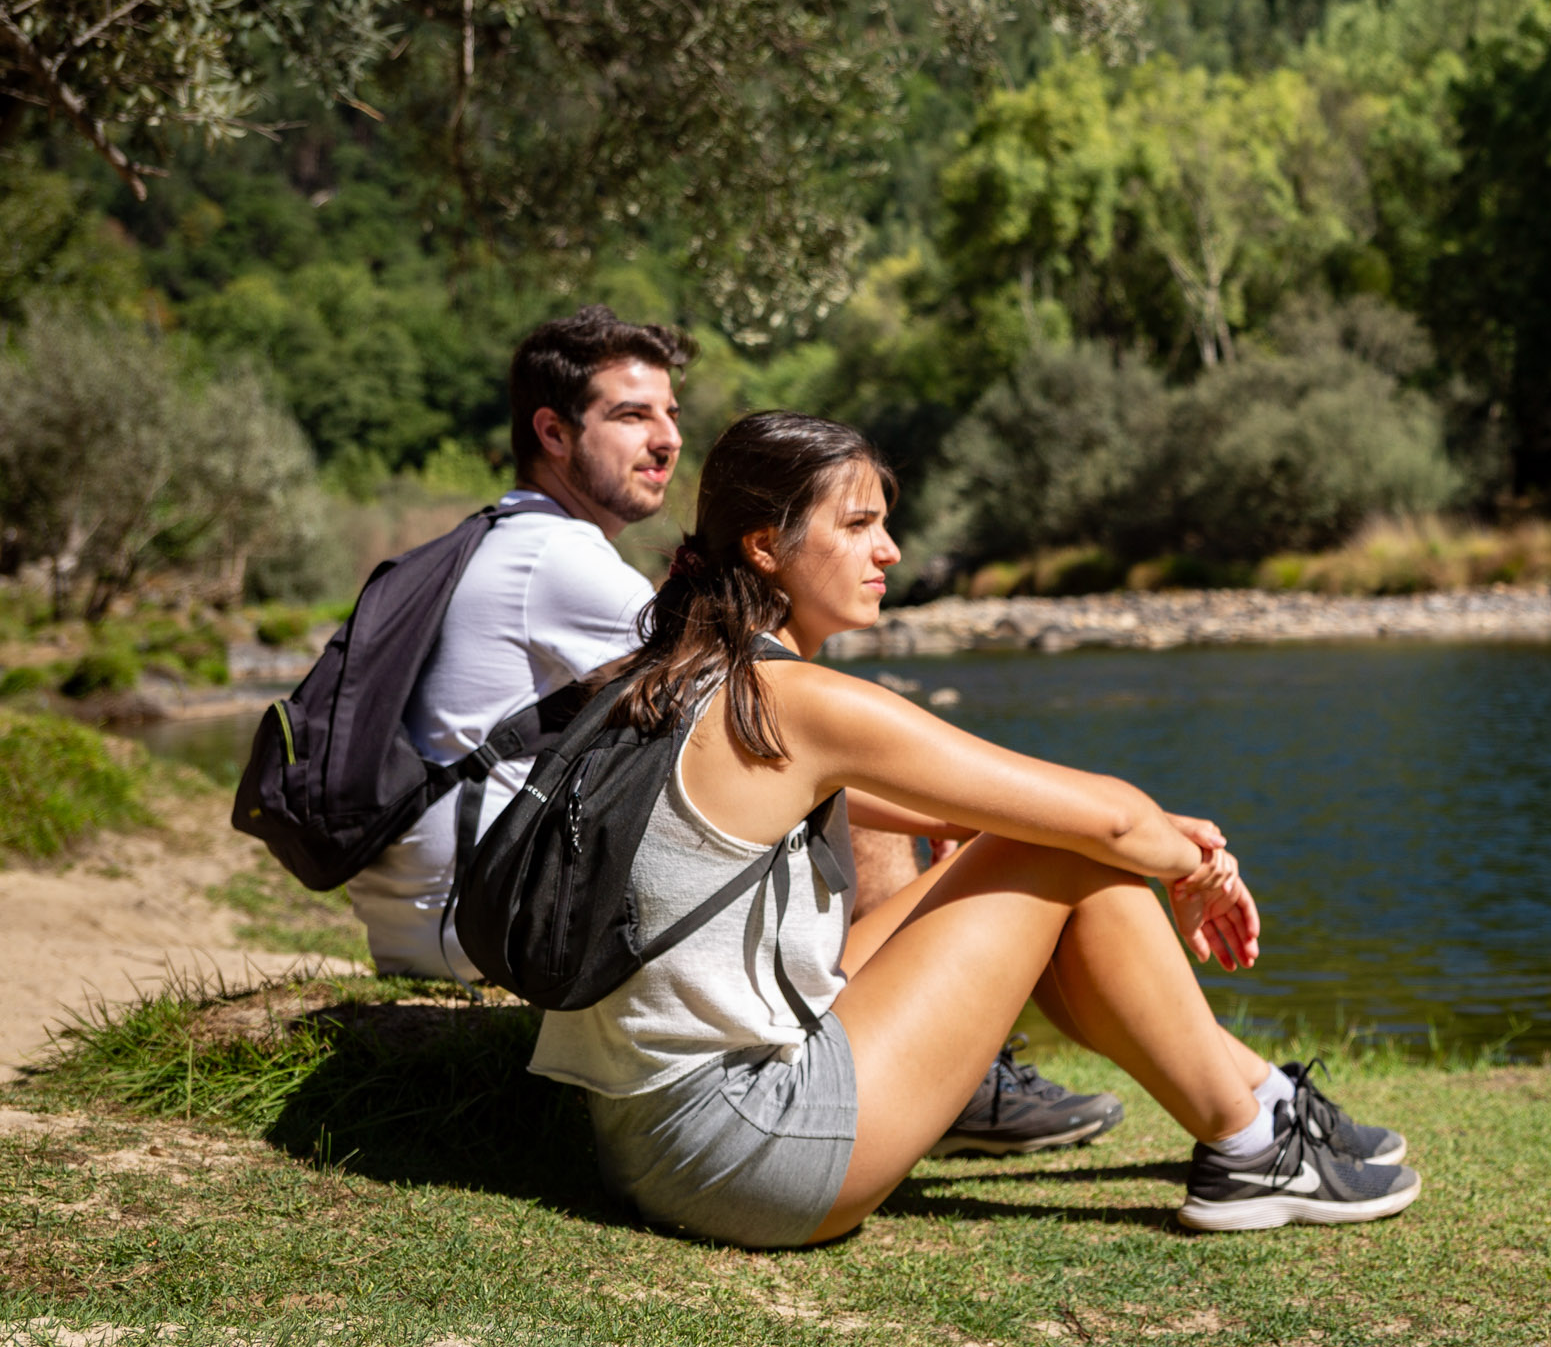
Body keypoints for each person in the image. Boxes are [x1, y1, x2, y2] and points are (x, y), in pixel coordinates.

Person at [528, 410, 1419, 1245]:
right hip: (748, 1152)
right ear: (768, 546)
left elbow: (956, 810)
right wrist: (1194, 864)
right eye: (858, 526)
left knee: (1058, 856)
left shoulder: (678, 674)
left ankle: (1259, 1102)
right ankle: (1255, 1140)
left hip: (650, 1138)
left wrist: (1164, 840)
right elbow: (1099, 818)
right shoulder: (796, 700)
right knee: (1054, 846)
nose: (890, 549)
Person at [350, 306, 1117, 1154]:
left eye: (673, 413)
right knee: (836, 764)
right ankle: (948, 1072)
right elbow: (756, 738)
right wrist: (953, 805)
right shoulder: (558, 562)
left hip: (485, 896)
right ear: (552, 433)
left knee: (842, 768)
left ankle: (920, 1051)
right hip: (505, 916)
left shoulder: (508, 532)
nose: (668, 438)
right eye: (632, 414)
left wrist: (943, 804)